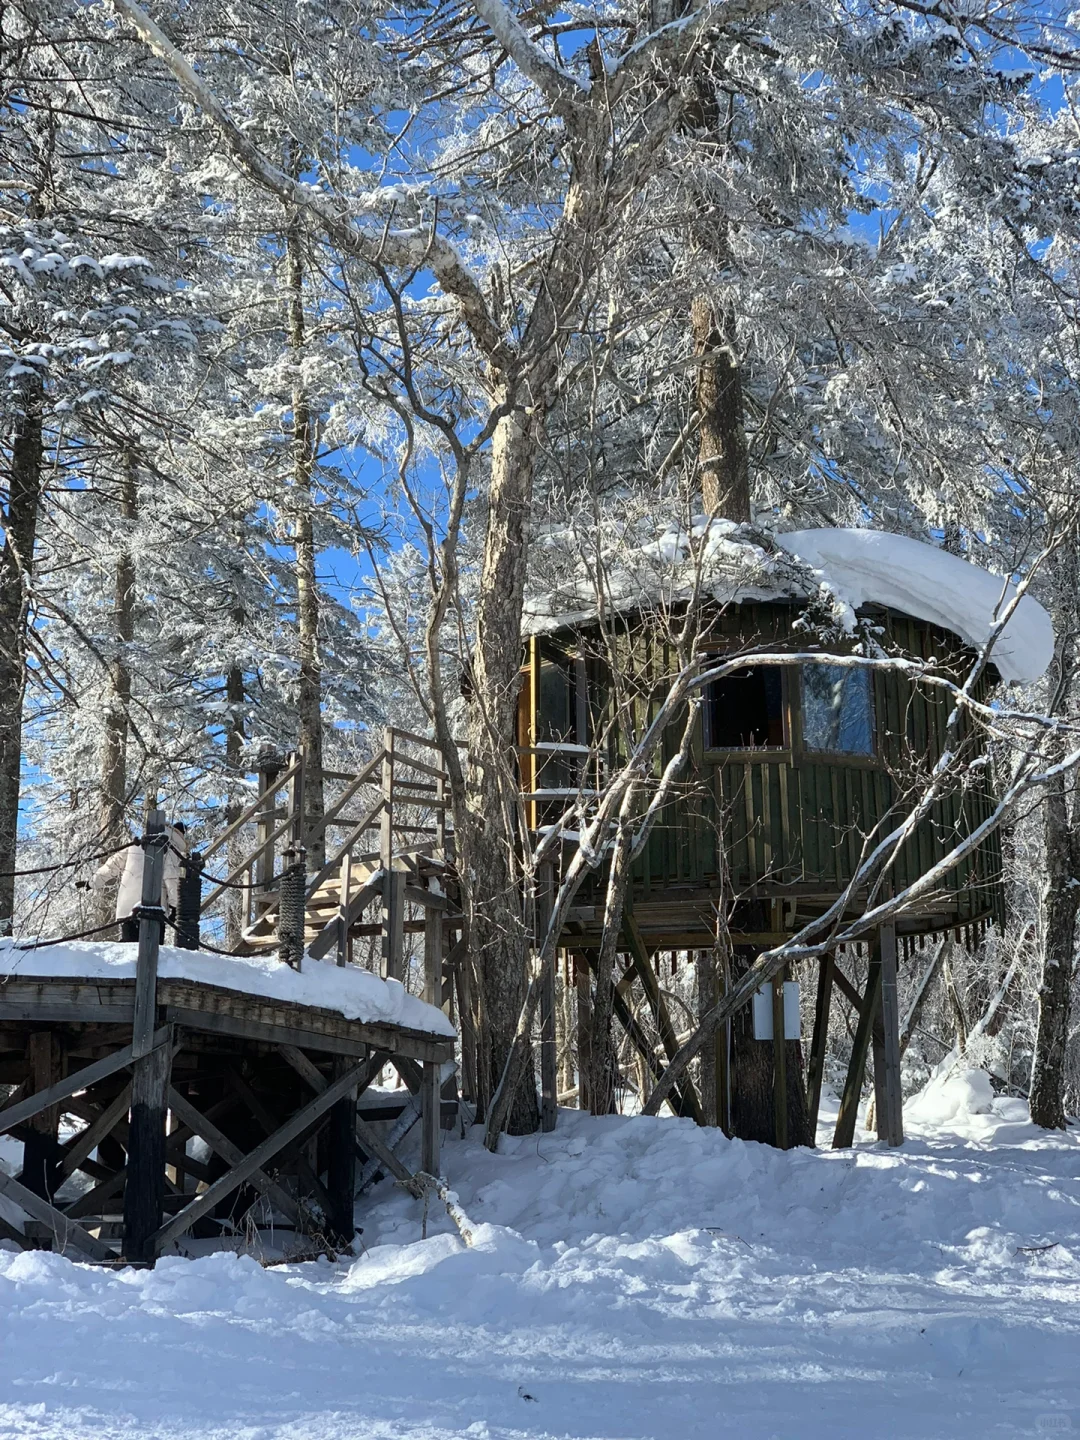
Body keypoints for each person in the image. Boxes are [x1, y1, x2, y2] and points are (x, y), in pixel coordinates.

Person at [92, 821, 189, 941]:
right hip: (153, 907)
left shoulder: (136, 843)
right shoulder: (170, 847)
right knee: (151, 952)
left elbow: (112, 865)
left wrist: (92, 882)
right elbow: (171, 879)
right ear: (181, 835)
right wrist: (175, 906)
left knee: (129, 949)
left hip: (126, 906)